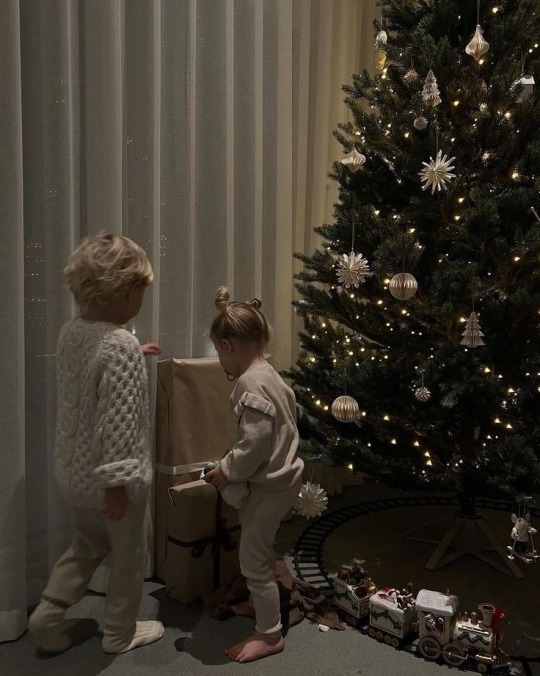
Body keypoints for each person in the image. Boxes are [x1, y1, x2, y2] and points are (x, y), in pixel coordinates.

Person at [28, 233, 164, 655]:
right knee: (129, 557)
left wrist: (134, 353)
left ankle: (47, 615)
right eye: (140, 291)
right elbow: (119, 424)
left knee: (86, 546)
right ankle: (119, 633)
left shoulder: (72, 332)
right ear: (125, 293)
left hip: (76, 475)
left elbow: (90, 378)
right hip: (113, 485)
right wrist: (118, 486)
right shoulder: (119, 345)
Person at [203, 286, 304, 663]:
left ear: (227, 345)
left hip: (271, 485)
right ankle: (265, 602)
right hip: (281, 479)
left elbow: (256, 442)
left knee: (252, 559)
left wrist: (227, 470)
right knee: (259, 545)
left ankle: (270, 633)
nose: (219, 360)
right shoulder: (270, 375)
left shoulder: (250, 382)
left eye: (218, 351)